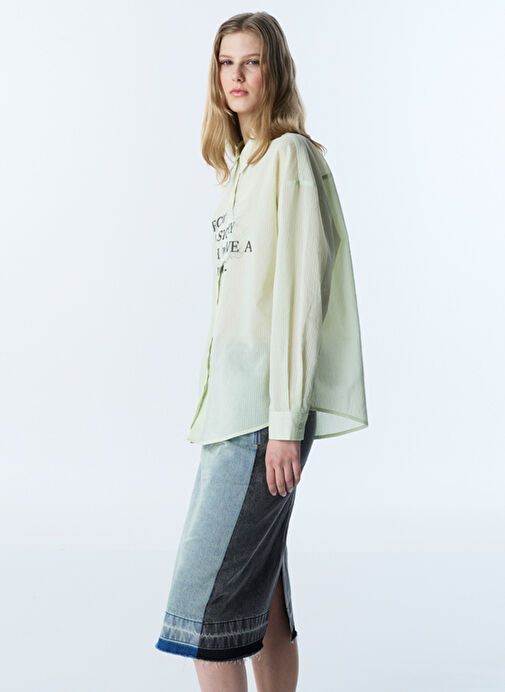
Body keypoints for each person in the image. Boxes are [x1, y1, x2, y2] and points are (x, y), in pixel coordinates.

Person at [154, 11, 368, 692]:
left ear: (275, 71)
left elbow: (302, 298)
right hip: (230, 412)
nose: (237, 76)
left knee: (206, 621)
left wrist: (284, 425)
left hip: (262, 418)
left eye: (251, 62)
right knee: (262, 597)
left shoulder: (289, 158)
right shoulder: (237, 170)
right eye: (226, 63)